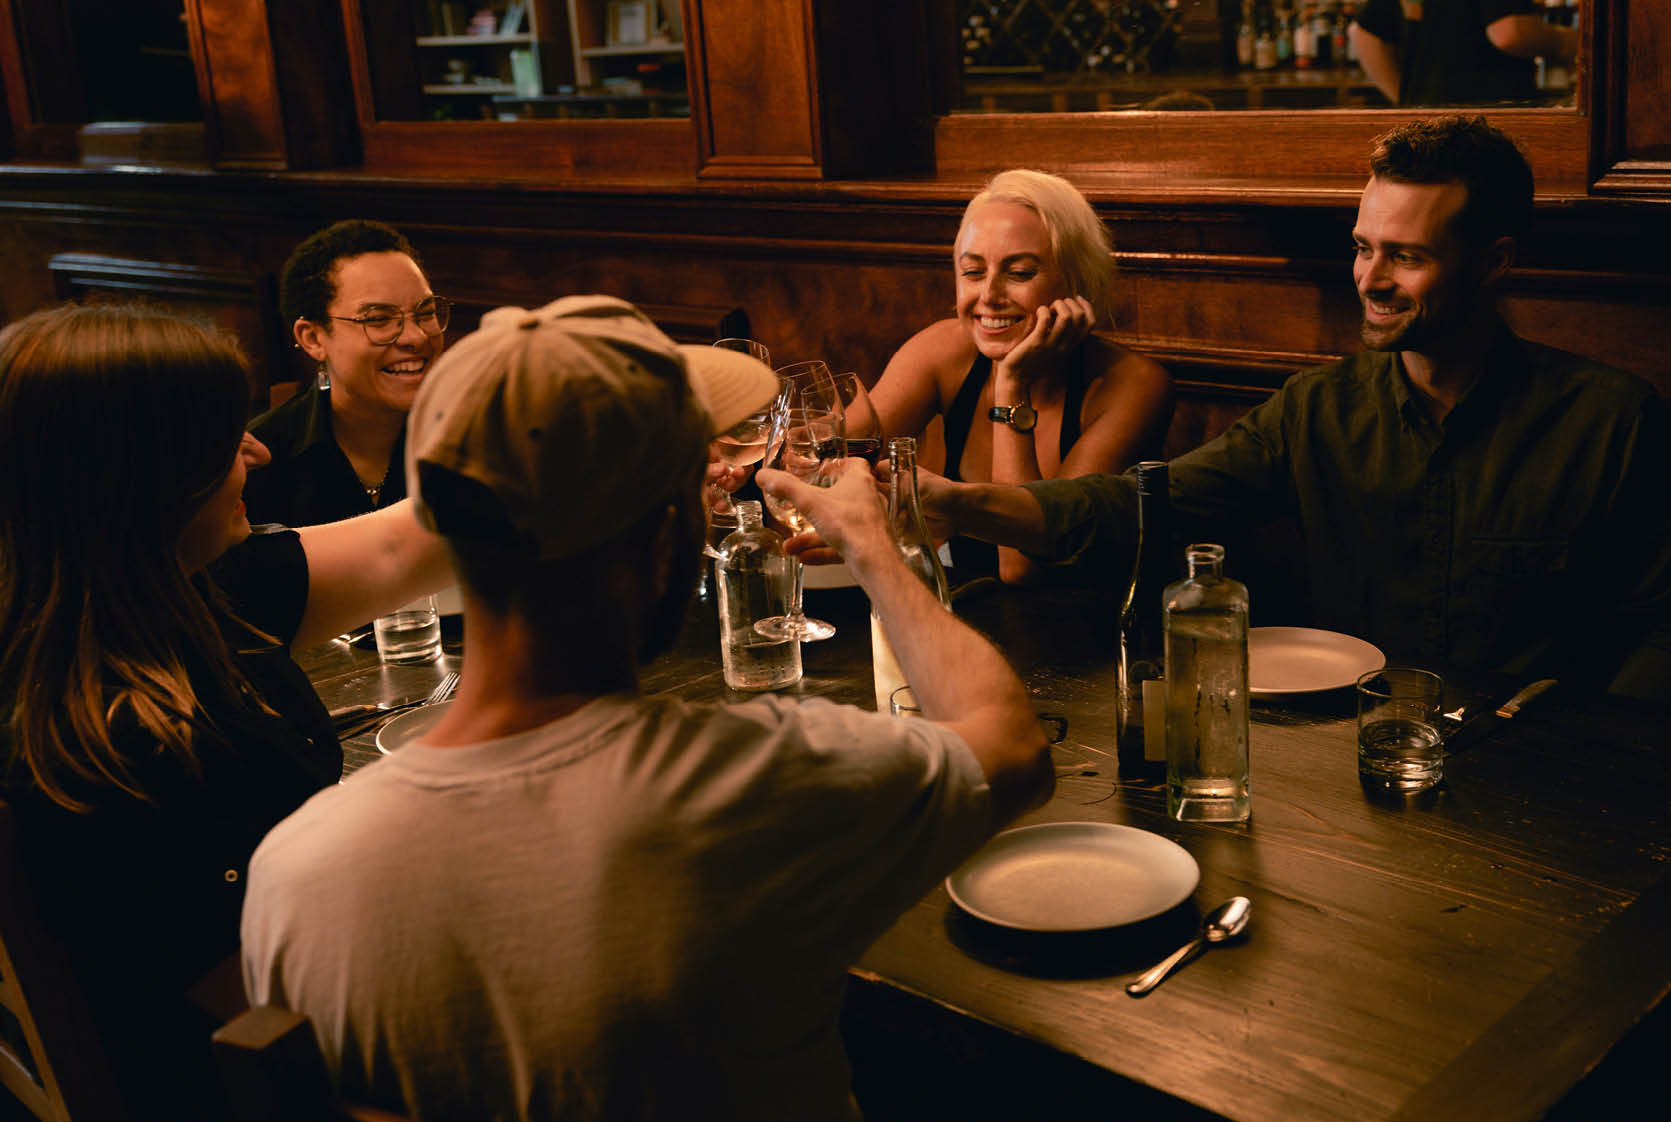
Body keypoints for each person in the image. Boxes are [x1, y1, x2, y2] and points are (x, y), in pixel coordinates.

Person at [241, 296, 1053, 1121]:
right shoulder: (762, 786)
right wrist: (876, 545)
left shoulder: (294, 873)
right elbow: (1012, 746)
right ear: (665, 535)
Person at [843, 116, 1671, 705]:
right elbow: (1141, 503)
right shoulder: (1316, 410)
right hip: (1347, 756)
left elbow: (1667, 639)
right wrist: (952, 501)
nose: (1370, 279)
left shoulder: (1612, 422)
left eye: (1407, 256)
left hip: (1534, 786)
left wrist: (1591, 755)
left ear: (1493, 262)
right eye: (1362, 247)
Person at [0, 303, 452, 1119]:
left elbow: (401, 545)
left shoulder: (149, 592)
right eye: (223, 438)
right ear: (143, 477)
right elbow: (290, 1025)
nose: (259, 448)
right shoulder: (122, 744)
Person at [871, 168, 1172, 584]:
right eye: (974, 272)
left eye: (1020, 273)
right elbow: (828, 457)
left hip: (1081, 630)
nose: (989, 296)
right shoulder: (942, 350)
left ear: (1077, 281)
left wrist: (1012, 385)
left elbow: (1023, 571)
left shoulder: (1132, 386)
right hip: (966, 623)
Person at [244, 218, 448, 525]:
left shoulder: (476, 437)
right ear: (313, 338)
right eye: (379, 319)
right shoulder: (259, 460)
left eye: (426, 313)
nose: (416, 337)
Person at [1352, 0, 1577, 107]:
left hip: (1419, 127)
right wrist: (1568, 41)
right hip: (1490, 122)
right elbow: (1509, 32)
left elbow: (1364, 35)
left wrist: (1407, 103)